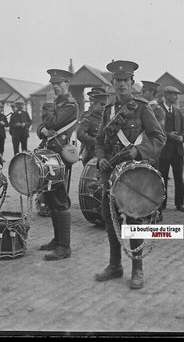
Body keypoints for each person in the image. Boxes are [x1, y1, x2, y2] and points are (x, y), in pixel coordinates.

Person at [94, 60, 165, 289]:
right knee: (109, 217)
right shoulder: (108, 111)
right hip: (111, 173)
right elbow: (99, 141)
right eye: (118, 81)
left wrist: (138, 150)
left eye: (126, 80)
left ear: (132, 83)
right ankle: (115, 265)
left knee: (134, 219)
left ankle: (138, 269)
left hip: (133, 173)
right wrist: (101, 156)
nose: (122, 84)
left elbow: (158, 138)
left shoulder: (142, 107)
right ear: (112, 83)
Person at [36, 69, 79, 261]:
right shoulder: (57, 104)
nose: (55, 87)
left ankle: (65, 246)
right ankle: (57, 239)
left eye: (59, 84)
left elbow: (52, 122)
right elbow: (41, 128)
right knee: (51, 198)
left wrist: (45, 122)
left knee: (60, 198)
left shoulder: (70, 105)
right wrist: (43, 129)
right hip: (50, 155)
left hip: (60, 155)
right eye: (53, 84)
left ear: (67, 84)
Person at [158, 86, 184, 213]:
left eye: (177, 95)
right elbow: (156, 130)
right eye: (174, 95)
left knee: (179, 178)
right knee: (162, 178)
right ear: (166, 95)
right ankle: (161, 204)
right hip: (164, 151)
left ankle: (179, 203)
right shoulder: (158, 110)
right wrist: (168, 135)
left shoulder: (178, 112)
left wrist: (182, 137)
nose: (176, 97)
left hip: (177, 151)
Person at [77, 88, 108, 165]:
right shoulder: (88, 118)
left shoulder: (107, 118)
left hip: (106, 155)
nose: (104, 107)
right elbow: (80, 134)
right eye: (102, 105)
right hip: (92, 155)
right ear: (94, 104)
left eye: (105, 105)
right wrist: (96, 142)